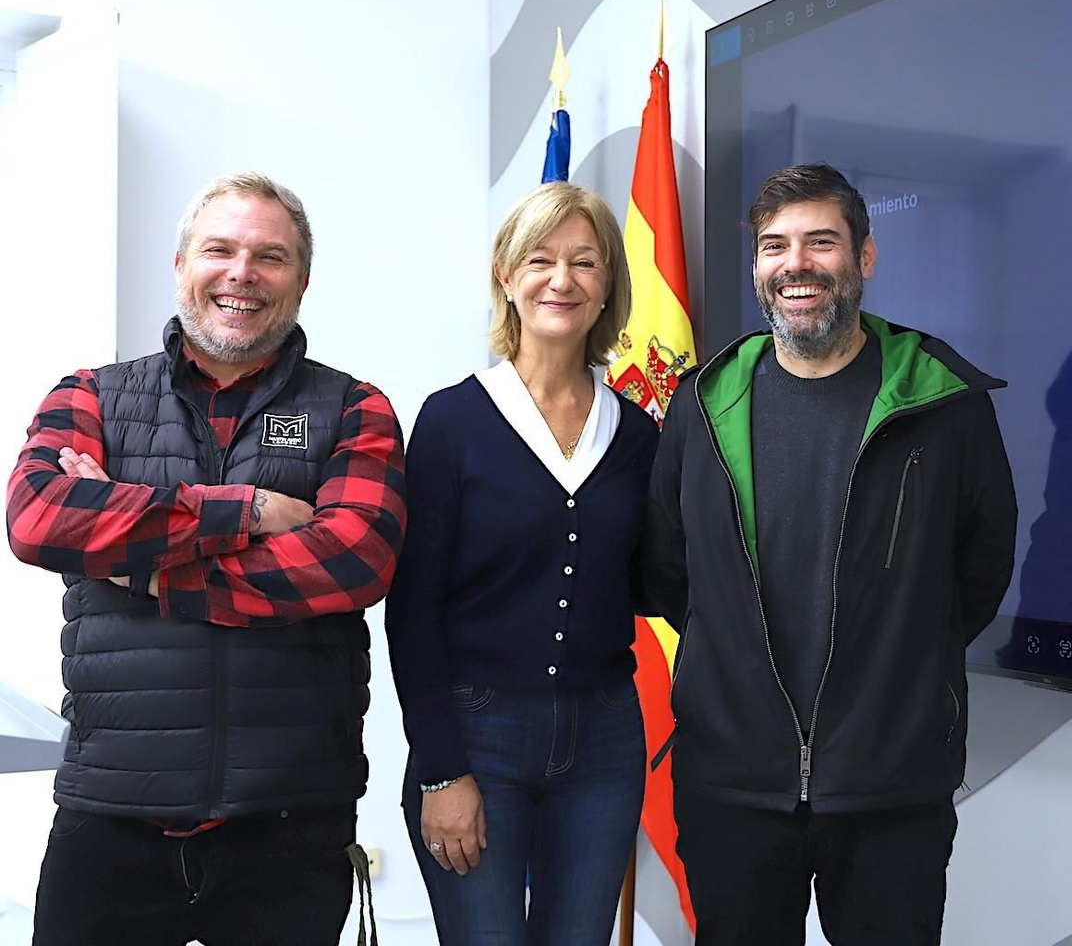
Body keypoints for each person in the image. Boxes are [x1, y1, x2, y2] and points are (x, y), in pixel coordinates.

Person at [4, 171, 407, 945]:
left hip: (289, 819)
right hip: (112, 813)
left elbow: (354, 561)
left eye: (270, 256)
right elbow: (38, 518)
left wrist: (144, 568)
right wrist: (245, 510)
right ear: (182, 262)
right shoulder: (90, 396)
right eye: (219, 249)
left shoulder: (355, 408)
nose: (241, 274)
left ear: (303, 280)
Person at [645, 162, 1019, 945]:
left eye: (821, 242)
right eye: (775, 246)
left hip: (893, 786)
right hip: (733, 784)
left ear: (864, 258)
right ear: (757, 268)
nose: (797, 265)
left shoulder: (942, 402)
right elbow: (672, 569)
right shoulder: (702, 404)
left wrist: (904, 666)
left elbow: (981, 568)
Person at [386, 181, 655, 945]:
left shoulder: (638, 437)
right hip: (477, 736)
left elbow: (654, 582)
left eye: (584, 262)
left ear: (609, 285)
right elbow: (411, 610)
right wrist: (440, 769)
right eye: (540, 259)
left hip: (605, 738)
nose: (561, 280)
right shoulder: (452, 419)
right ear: (506, 275)